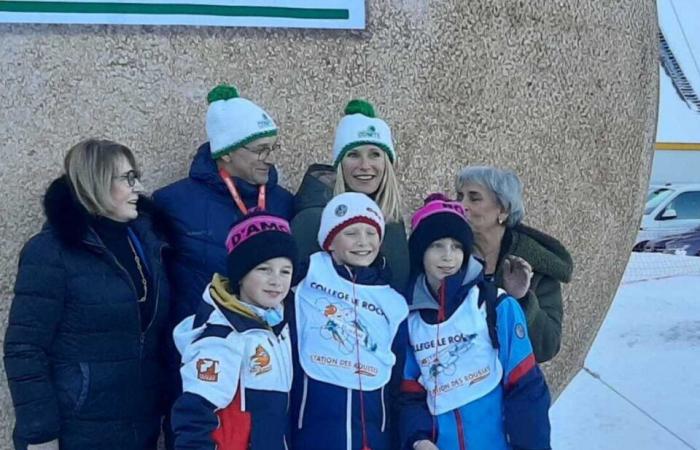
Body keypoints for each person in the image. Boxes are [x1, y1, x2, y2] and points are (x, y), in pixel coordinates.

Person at [3, 139, 171, 450]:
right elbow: (24, 348)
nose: (140, 188)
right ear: (97, 182)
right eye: (128, 178)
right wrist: (40, 433)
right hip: (76, 431)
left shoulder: (147, 244)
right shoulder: (51, 252)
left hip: (139, 426)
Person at [398, 194, 551, 450]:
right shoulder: (409, 318)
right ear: (420, 251)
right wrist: (419, 438)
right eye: (437, 245)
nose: (448, 256)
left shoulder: (495, 305)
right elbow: (410, 395)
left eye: (456, 247)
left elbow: (526, 388)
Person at [153, 84, 294, 325]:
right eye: (260, 150)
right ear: (226, 153)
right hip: (198, 346)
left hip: (265, 348)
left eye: (273, 148)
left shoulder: (285, 203)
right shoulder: (172, 203)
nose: (270, 159)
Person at [290, 192, 409, 450]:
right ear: (330, 242)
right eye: (351, 233)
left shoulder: (393, 301)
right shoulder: (304, 277)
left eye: (370, 232)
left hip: (371, 435)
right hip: (313, 431)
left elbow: (400, 378)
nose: (363, 242)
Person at [171, 211, 298, 449]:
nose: (276, 280)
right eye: (264, 269)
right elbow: (195, 413)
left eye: (285, 271)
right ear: (240, 274)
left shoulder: (279, 325)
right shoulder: (223, 336)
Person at [455, 166, 573, 363]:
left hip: (511, 384)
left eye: (474, 198)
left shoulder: (535, 264)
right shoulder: (450, 256)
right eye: (459, 197)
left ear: (503, 209)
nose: (461, 205)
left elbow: (547, 346)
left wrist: (521, 299)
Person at [292, 99, 409, 292]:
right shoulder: (312, 219)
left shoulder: (392, 221)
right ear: (339, 164)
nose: (364, 165)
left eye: (375, 154)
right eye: (353, 155)